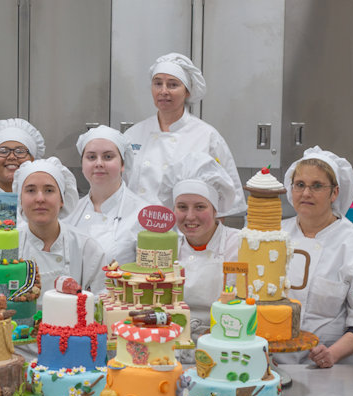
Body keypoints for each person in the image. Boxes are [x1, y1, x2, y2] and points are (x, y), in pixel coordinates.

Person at [278, 146, 353, 366]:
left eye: (317, 186)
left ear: (334, 193)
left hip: (330, 369)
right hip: (272, 365)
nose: (306, 193)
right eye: (300, 185)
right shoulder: (274, 236)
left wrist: (332, 354)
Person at [125, 53, 246, 217]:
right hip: (136, 231)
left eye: (173, 84)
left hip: (185, 234)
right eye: (158, 83)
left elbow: (224, 204)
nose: (163, 91)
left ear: (187, 92)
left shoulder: (207, 136)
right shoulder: (134, 135)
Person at [158, 152, 241, 350]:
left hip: (225, 345)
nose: (190, 216)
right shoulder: (167, 247)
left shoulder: (239, 244)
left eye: (200, 207)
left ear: (215, 209)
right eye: (182, 207)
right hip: (173, 347)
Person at [15, 158, 106, 296]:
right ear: (20, 199)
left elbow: (101, 302)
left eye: (49, 190)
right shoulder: (9, 245)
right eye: (31, 190)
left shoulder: (86, 248)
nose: (40, 198)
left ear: (62, 199)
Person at [65, 125, 147, 264]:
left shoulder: (142, 215)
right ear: (83, 164)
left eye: (108, 157)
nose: (99, 163)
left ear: (122, 164)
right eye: (91, 157)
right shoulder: (69, 212)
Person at [0, 118, 45, 193]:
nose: (11, 157)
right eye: (3, 151)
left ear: (32, 160)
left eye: (20, 151)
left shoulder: (46, 199)